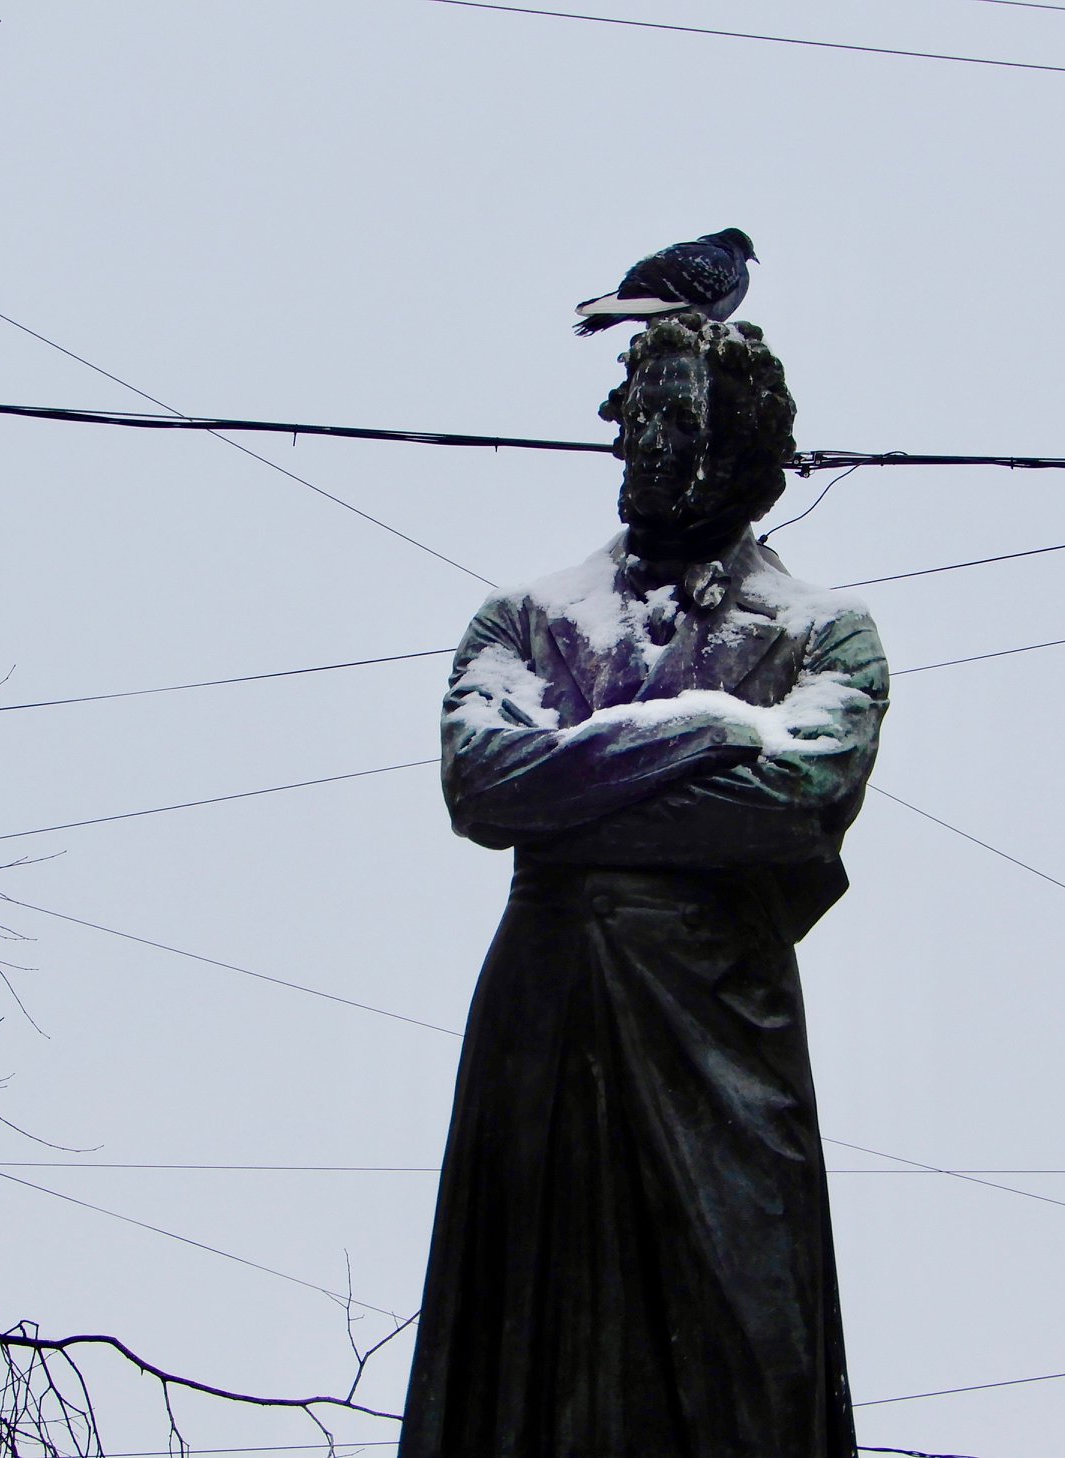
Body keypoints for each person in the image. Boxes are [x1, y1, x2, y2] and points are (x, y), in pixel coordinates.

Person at [398, 314, 887, 1458]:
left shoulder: (827, 634)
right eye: (633, 414)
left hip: (722, 1025)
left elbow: (794, 801)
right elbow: (483, 784)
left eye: (670, 415)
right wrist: (698, 737)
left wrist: (575, 799)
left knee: (748, 1362)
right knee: (526, 1376)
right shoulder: (524, 619)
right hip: (548, 1016)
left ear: (740, 443)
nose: (637, 440)